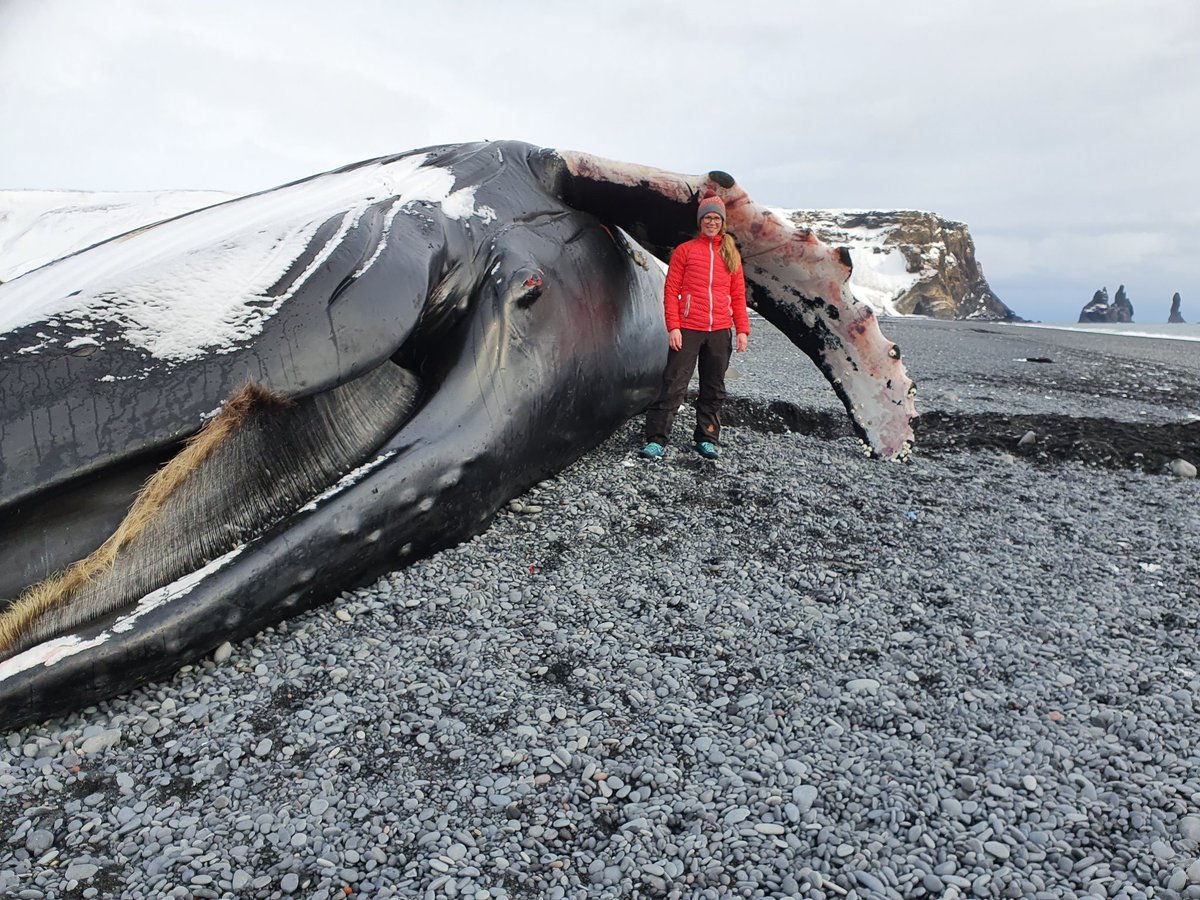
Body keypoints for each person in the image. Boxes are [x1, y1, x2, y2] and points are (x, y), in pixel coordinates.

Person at [640, 191, 749, 460]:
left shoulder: (731, 254)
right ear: (700, 221)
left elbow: (738, 295)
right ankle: (656, 440)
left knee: (714, 387)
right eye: (707, 218)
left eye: (716, 218)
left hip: (720, 330)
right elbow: (671, 291)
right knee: (674, 384)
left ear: (722, 222)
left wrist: (742, 329)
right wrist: (673, 327)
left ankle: (707, 437)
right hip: (688, 328)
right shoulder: (685, 251)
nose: (711, 222)